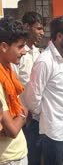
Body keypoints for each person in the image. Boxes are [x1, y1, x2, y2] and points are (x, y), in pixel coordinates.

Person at [25, 15, 63, 165]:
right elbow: (32, 99)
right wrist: (47, 116)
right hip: (54, 133)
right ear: (59, 36)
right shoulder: (44, 61)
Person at [11, 11, 45, 165]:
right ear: (27, 27)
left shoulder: (39, 53)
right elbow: (13, 87)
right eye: (38, 28)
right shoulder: (17, 54)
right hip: (24, 119)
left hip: (40, 116)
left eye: (42, 28)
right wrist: (23, 114)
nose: (42, 33)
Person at [0, 17, 28, 165]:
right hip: (8, 158)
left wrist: (19, 115)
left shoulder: (8, 70)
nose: (24, 52)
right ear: (4, 46)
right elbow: (11, 130)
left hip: (16, 153)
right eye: (20, 46)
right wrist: (23, 116)